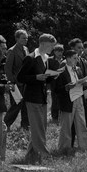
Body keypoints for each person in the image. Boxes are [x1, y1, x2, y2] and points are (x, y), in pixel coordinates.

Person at [17, 33, 58, 164]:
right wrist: (36, 77)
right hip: (32, 97)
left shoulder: (46, 58)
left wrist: (53, 76)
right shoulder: (31, 58)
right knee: (38, 127)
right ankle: (44, 155)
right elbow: (20, 77)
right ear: (43, 44)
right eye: (51, 45)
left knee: (41, 127)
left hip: (42, 97)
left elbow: (45, 78)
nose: (52, 48)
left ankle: (30, 155)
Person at [54, 49, 87, 153]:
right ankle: (64, 148)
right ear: (68, 59)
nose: (77, 60)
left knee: (82, 123)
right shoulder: (61, 71)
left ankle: (85, 147)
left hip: (79, 98)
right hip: (67, 101)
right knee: (66, 126)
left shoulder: (78, 69)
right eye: (74, 58)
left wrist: (85, 84)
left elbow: (81, 82)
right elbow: (56, 89)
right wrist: (66, 87)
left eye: (77, 58)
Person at [68, 38, 87, 143]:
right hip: (75, 95)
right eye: (78, 48)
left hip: (86, 94)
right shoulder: (69, 62)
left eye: (81, 48)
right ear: (72, 48)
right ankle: (69, 145)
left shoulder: (83, 61)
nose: (81, 50)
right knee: (73, 123)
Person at [3, 29, 30, 130]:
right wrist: (12, 82)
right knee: (16, 105)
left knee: (25, 105)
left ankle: (25, 125)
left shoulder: (26, 49)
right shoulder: (12, 50)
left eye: (26, 38)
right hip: (15, 83)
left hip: (25, 82)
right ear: (17, 38)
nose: (26, 40)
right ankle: (5, 125)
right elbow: (8, 68)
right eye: (23, 38)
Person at [48, 44, 64, 122]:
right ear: (54, 52)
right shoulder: (50, 60)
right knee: (55, 100)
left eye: (61, 51)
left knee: (62, 100)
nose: (59, 53)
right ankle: (54, 117)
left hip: (63, 83)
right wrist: (55, 73)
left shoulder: (65, 60)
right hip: (54, 83)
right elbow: (47, 71)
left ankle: (62, 116)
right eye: (57, 51)